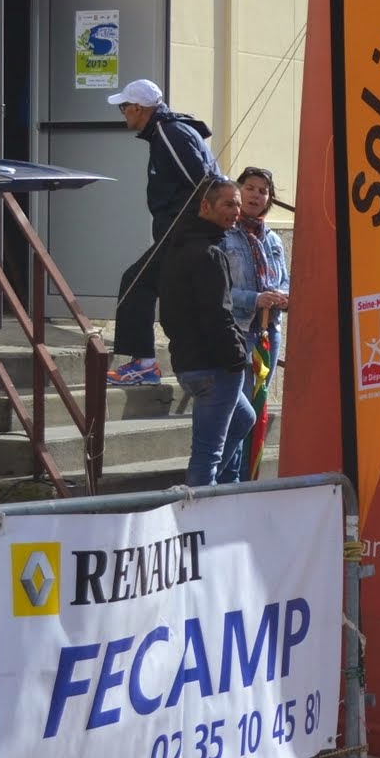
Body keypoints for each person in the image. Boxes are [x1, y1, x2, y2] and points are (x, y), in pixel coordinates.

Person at [107, 79, 218, 386]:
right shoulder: (168, 132)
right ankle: (186, 362)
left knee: (136, 283)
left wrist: (198, 230)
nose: (122, 113)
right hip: (184, 232)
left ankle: (145, 364)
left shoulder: (169, 133)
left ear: (138, 108)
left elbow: (204, 183)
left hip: (183, 233)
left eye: (123, 107)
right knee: (172, 295)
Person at [161, 179, 254, 488]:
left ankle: (206, 491)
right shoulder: (209, 253)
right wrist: (237, 358)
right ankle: (199, 499)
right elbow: (218, 315)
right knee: (207, 457)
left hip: (192, 364)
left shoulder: (180, 245)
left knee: (244, 419)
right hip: (214, 367)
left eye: (238, 204)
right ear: (206, 206)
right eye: (228, 204)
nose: (236, 211)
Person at [221, 166, 290, 481]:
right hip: (237, 331)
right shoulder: (225, 234)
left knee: (257, 406)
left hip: (268, 332)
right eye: (250, 188)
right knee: (238, 413)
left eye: (263, 191)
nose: (256, 195)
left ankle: (248, 478)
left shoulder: (272, 238)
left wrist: (283, 297)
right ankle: (228, 478)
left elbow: (285, 281)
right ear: (238, 191)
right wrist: (255, 298)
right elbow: (219, 291)